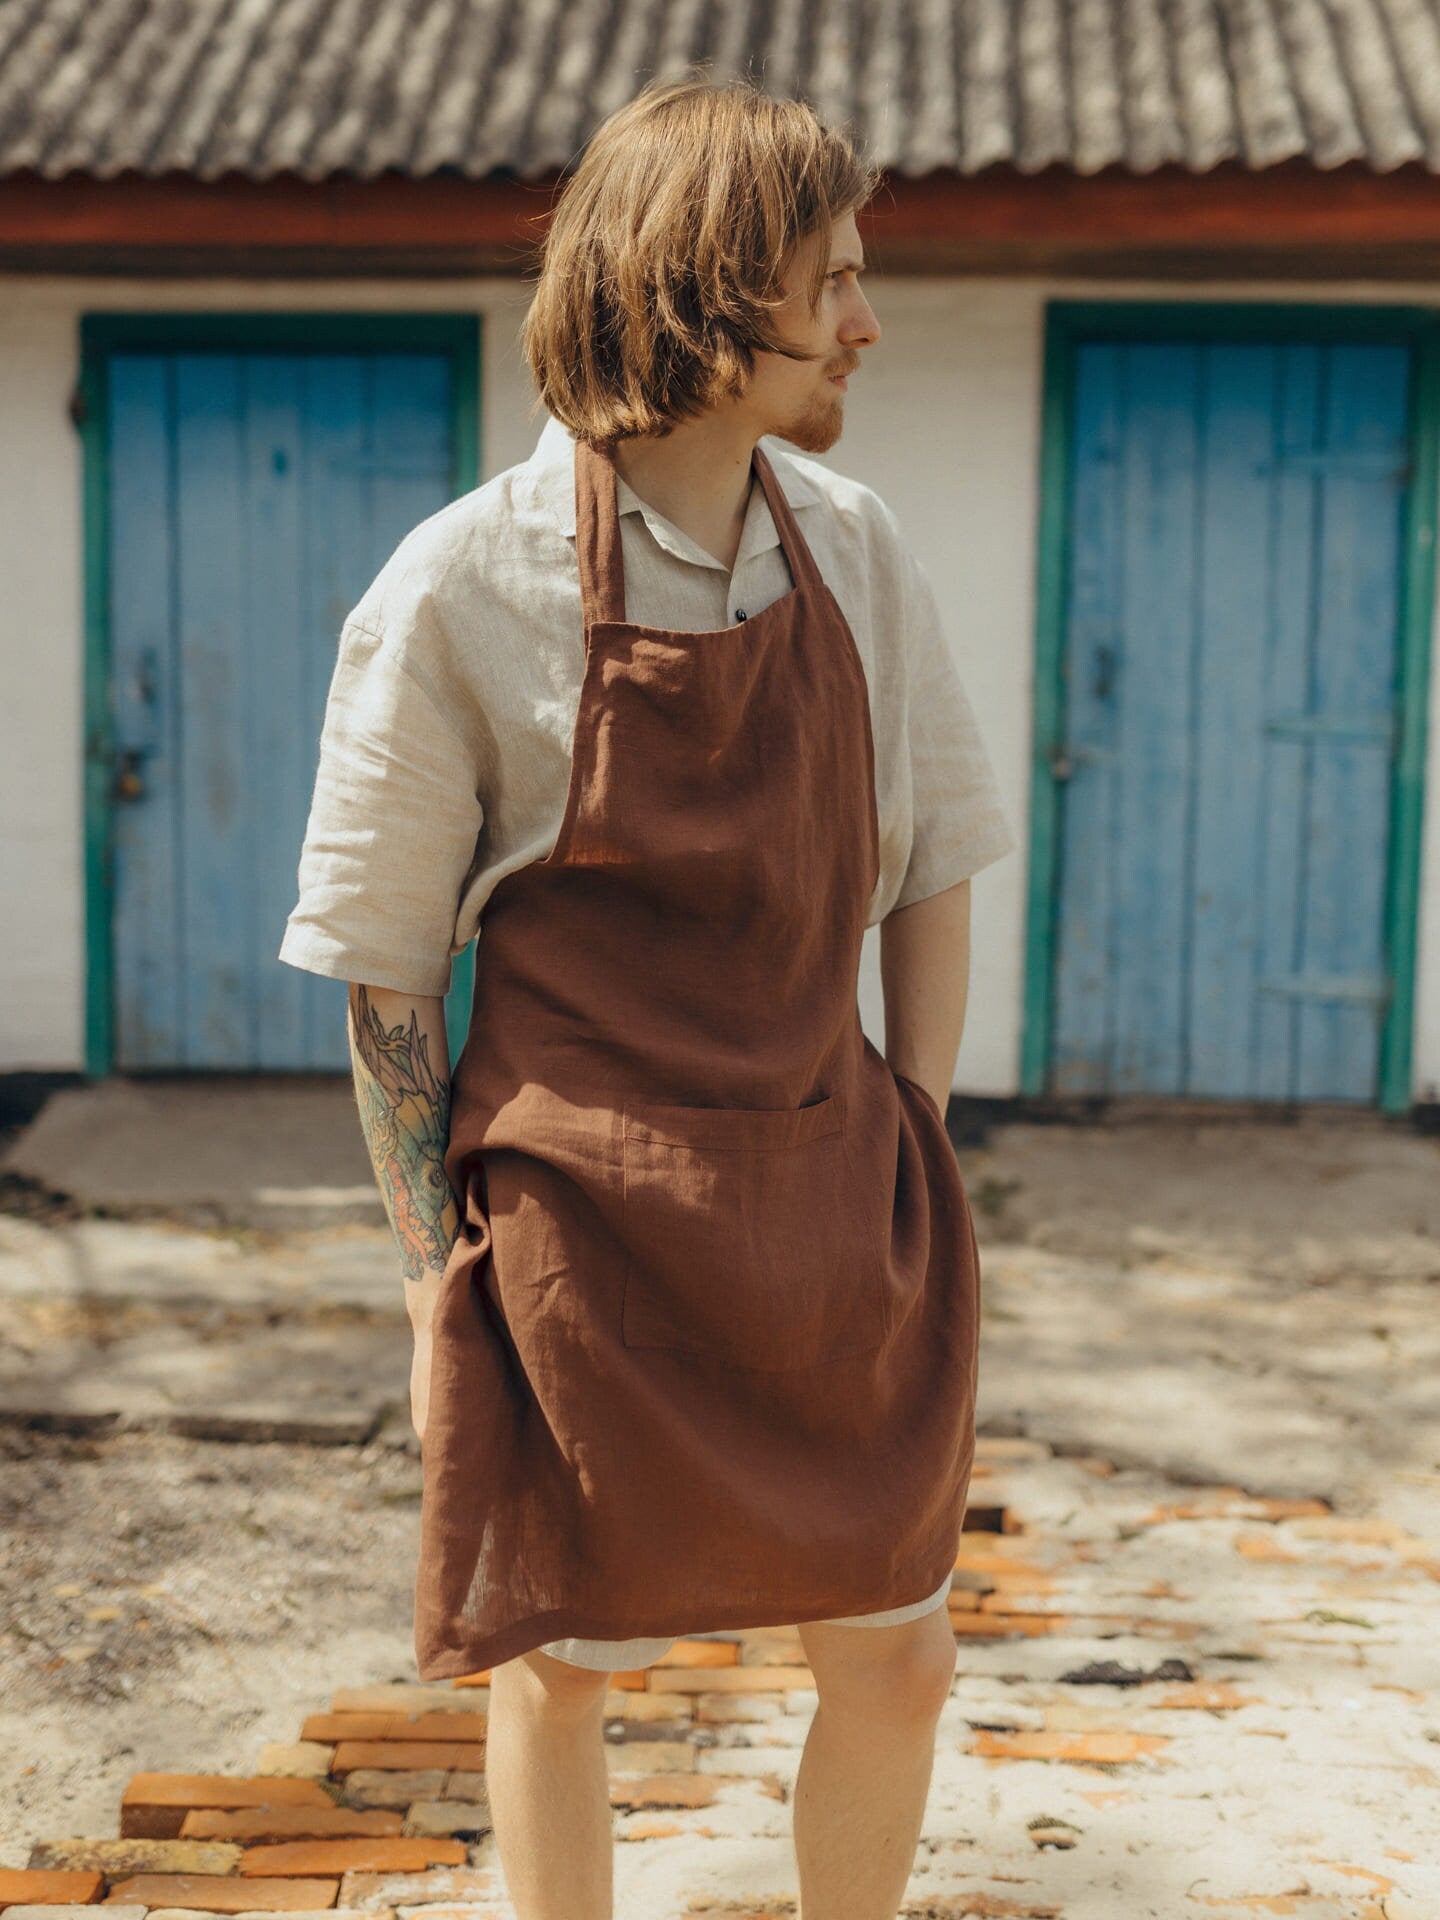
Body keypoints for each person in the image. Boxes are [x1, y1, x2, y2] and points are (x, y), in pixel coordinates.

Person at [280, 70, 1013, 1920]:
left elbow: (934, 864)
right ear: (700, 294)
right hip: (579, 1228)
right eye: (828, 277)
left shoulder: (857, 549)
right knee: (563, 1664)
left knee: (899, 1650)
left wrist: (912, 1134)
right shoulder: (462, 586)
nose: (864, 316)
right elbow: (387, 976)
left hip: (833, 1199)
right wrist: (431, 1282)